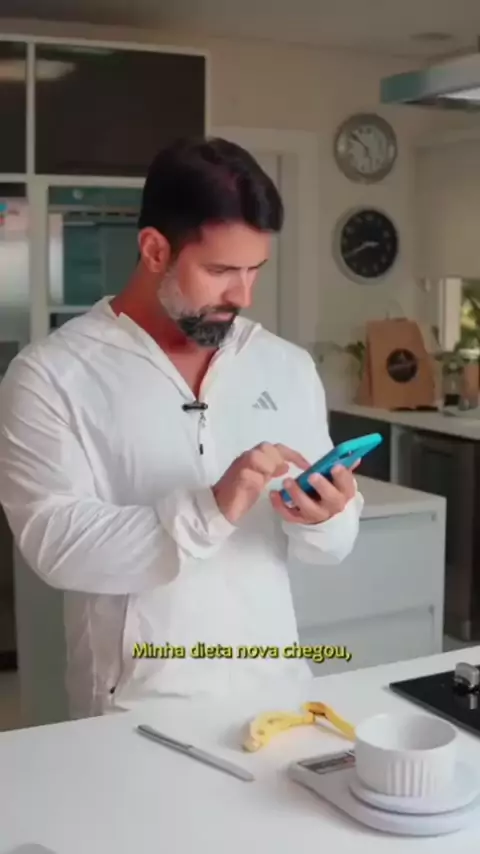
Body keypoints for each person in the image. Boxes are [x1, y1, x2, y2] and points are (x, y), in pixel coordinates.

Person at [0, 137, 363, 719]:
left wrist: (327, 517)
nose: (242, 296)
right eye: (220, 270)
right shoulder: (50, 375)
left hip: (279, 697)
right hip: (134, 715)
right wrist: (210, 509)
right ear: (154, 249)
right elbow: (57, 545)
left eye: (254, 270)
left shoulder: (286, 367)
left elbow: (332, 548)